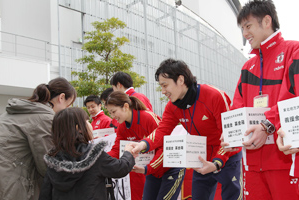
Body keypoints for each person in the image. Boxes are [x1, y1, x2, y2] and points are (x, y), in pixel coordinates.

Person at [131, 58, 242, 200]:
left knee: (231, 196)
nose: (163, 91)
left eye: (165, 85)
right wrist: (141, 145)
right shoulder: (172, 107)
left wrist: (217, 163)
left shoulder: (214, 96)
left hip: (227, 155)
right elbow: (161, 132)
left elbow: (228, 135)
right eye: (161, 86)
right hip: (201, 157)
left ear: (181, 80)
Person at [221, 1, 299, 199]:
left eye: (248, 26)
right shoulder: (248, 67)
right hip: (252, 164)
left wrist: (267, 125)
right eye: (242, 29)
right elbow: (237, 106)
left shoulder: (293, 51)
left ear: (266, 21)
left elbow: (293, 98)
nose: (245, 33)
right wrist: (231, 136)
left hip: (285, 159)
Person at [0, 77, 77, 200]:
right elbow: (48, 166)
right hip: (13, 187)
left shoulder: (14, 112)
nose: (66, 110)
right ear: (61, 97)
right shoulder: (45, 118)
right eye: (68, 105)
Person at [38, 107, 135, 200]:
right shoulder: (94, 154)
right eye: (87, 122)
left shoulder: (54, 158)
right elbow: (119, 168)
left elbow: (45, 192)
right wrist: (128, 153)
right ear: (78, 128)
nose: (90, 125)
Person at [106, 91, 184, 200]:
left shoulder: (148, 118)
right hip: (152, 171)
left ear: (125, 106)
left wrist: (148, 168)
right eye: (110, 113)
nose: (113, 117)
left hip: (170, 167)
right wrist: (101, 159)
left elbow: (165, 148)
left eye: (114, 111)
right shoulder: (122, 127)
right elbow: (116, 150)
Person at [276, 48, 299, 177]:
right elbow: (286, 104)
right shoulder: (296, 58)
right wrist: (282, 130)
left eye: (248, 26)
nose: (245, 33)